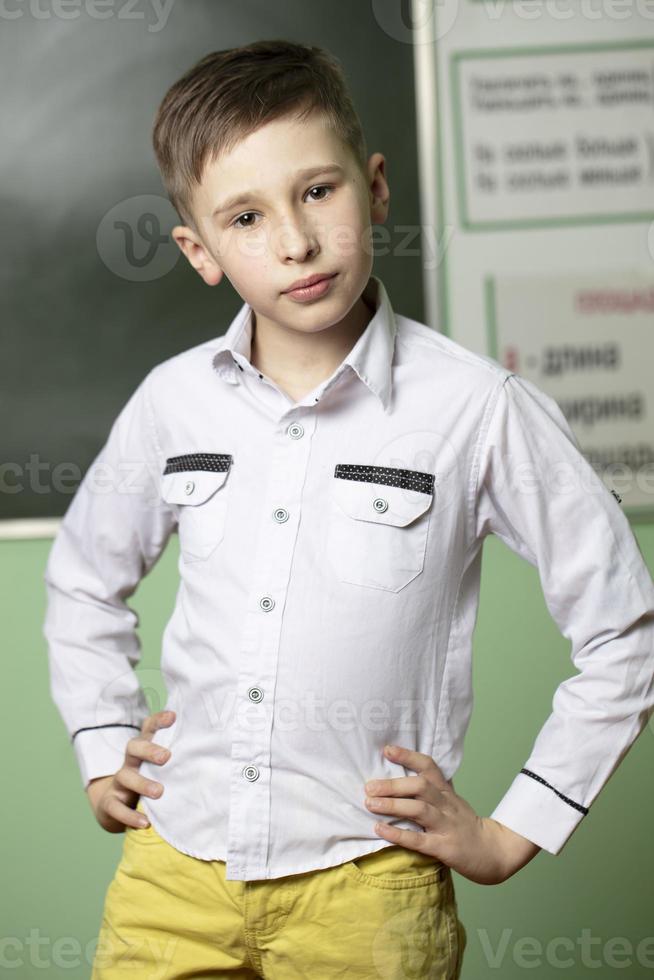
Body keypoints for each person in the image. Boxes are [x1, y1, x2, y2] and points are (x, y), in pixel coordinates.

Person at [42, 38, 654, 980]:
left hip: (369, 889)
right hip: (172, 870)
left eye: (317, 192)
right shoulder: (173, 401)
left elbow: (625, 632)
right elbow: (83, 581)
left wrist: (513, 831)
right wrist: (98, 744)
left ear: (374, 188)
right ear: (200, 252)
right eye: (246, 217)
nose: (293, 240)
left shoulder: (476, 409)